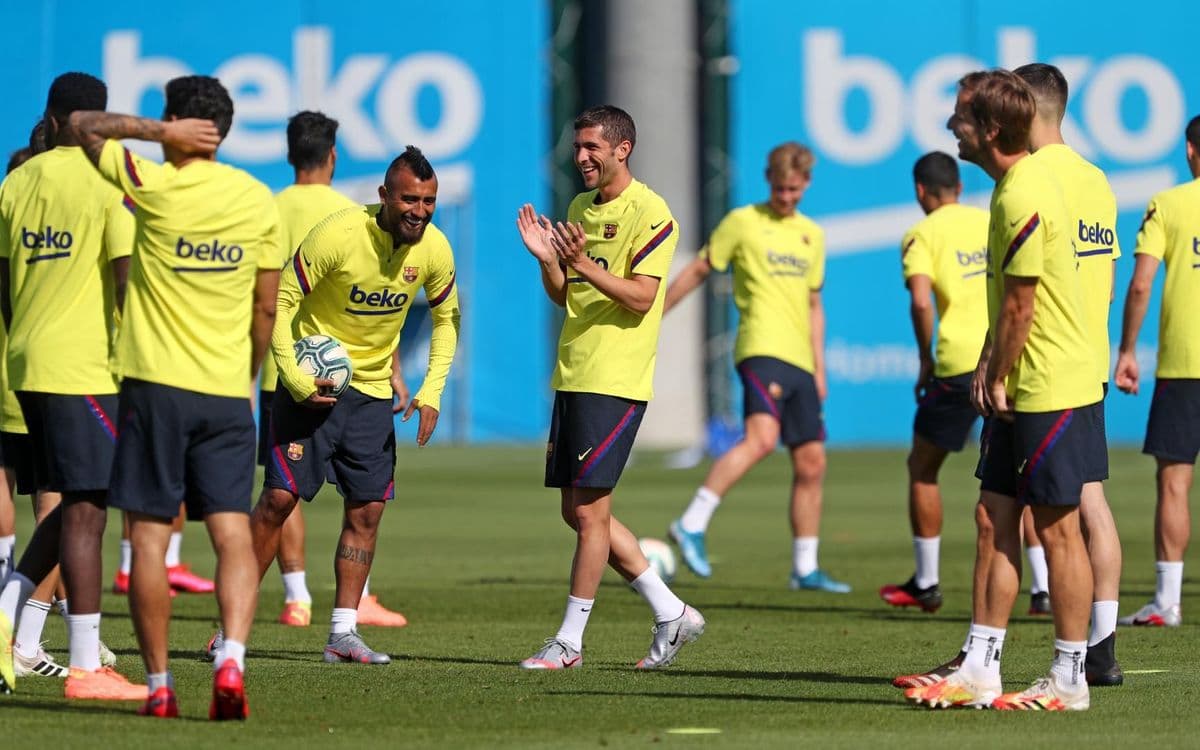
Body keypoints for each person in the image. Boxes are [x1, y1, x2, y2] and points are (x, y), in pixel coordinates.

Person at [71, 74, 283, 719]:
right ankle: (232, 662)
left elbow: (82, 124)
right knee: (231, 534)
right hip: (225, 394)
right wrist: (244, 375)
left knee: (150, 538)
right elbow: (266, 308)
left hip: (155, 389)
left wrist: (156, 135)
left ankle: (160, 684)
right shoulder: (257, 198)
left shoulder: (153, 184)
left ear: (174, 123)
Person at [211, 144, 458, 667]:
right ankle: (230, 627)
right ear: (384, 196)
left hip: (370, 398)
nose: (419, 211)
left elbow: (447, 321)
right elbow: (282, 299)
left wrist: (431, 388)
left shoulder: (434, 249)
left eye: (429, 201)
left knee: (367, 510)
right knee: (277, 501)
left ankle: (343, 633)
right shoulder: (339, 234)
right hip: (312, 390)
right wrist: (295, 378)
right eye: (410, 200)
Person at [905, 70, 1100, 711]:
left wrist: (994, 371)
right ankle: (980, 667)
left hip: (1047, 384)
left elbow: (1023, 304)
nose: (950, 127)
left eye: (960, 117)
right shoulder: (1079, 180)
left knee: (1060, 529)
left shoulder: (1022, 190)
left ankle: (1070, 678)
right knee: (993, 519)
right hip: (1041, 376)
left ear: (989, 130)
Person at [517, 105, 703, 670]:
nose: (581, 158)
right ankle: (672, 613)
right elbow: (566, 296)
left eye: (592, 147)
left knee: (592, 515)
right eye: (577, 148)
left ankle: (569, 643)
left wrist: (583, 264)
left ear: (623, 148)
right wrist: (550, 262)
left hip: (615, 378)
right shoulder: (577, 209)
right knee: (576, 513)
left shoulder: (652, 213)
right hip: (574, 371)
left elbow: (645, 297)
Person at [0, 73, 140, 700]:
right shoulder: (108, 181)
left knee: (75, 503)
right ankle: (86, 665)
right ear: (96, 124)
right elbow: (126, 282)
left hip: (26, 362)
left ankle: (8, 619)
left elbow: (4, 283)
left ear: (52, 119)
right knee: (85, 510)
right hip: (86, 367)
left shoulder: (16, 180)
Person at [664, 142, 848, 593]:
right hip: (760, 349)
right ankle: (692, 523)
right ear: (769, 181)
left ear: (806, 184)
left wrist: (819, 368)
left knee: (812, 462)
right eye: (779, 188)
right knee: (762, 439)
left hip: (801, 360)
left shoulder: (812, 235)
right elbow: (700, 269)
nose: (786, 196)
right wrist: (655, 313)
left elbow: (814, 304)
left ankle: (805, 567)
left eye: (794, 189)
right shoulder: (742, 222)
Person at [265, 111, 407, 629]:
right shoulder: (350, 215)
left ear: (289, 154)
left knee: (282, 492)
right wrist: (392, 369)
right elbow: (369, 305)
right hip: (343, 377)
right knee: (357, 503)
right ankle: (356, 600)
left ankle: (297, 595)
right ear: (332, 155)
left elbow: (261, 292)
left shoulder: (267, 209)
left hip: (274, 371)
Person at [1015, 62, 1125, 685]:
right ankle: (1102, 647)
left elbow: (1020, 288)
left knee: (1047, 514)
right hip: (1089, 356)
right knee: (1093, 501)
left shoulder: (1030, 177)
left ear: (1027, 108)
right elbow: (1103, 278)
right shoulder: (1097, 179)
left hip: (1045, 363)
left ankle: (1066, 660)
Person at [879, 151, 988, 612]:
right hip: (1007, 356)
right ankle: (1042, 587)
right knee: (1017, 476)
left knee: (923, 467)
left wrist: (925, 356)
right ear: (959, 187)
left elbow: (922, 302)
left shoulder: (922, 233)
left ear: (921, 191)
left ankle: (926, 581)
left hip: (958, 365)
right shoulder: (988, 221)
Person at [1113, 114, 1200, 629]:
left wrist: (1127, 349)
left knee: (1174, 484)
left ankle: (1167, 601)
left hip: (1185, 365)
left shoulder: (1168, 204)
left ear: (1190, 151)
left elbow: (1141, 284)